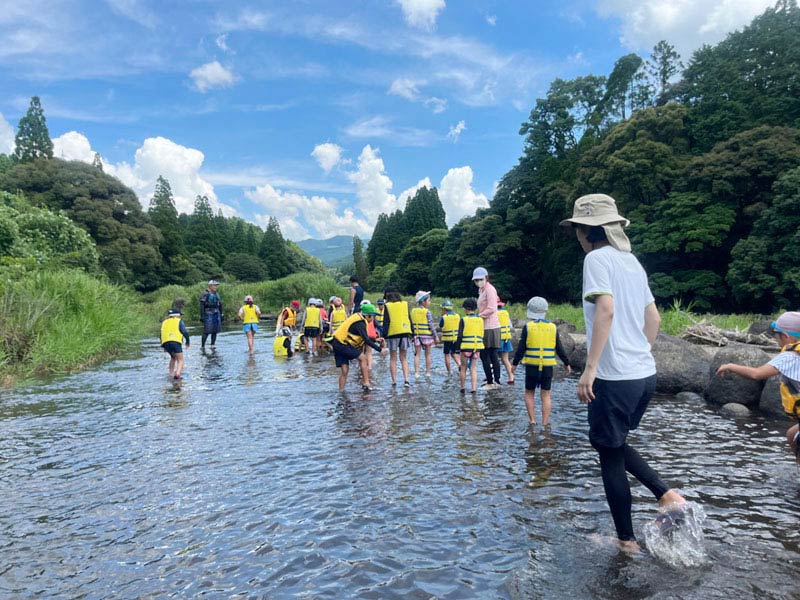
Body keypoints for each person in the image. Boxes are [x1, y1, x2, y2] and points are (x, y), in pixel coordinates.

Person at [561, 193, 686, 554]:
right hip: (644, 375)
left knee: (609, 453)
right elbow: (655, 319)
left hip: (614, 377)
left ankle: (627, 541)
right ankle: (666, 495)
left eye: (578, 230)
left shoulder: (596, 260)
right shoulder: (631, 262)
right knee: (608, 443)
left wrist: (591, 369)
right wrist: (639, 355)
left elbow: (606, 310)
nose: (577, 237)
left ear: (587, 230)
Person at [716, 311, 800, 463]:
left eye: (776, 337)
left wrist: (730, 366)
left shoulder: (790, 357)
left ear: (786, 337)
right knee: (791, 434)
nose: (776, 341)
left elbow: (756, 374)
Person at [511, 296, 571, 426]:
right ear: (545, 311)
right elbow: (559, 348)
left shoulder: (528, 327)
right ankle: (545, 423)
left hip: (532, 365)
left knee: (529, 392)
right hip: (547, 367)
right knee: (546, 395)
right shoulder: (553, 327)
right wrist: (567, 364)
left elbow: (521, 348)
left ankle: (532, 420)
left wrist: (514, 364)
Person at [332, 303, 386, 392]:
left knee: (345, 371)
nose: (373, 319)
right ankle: (366, 383)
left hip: (337, 343)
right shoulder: (360, 323)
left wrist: (376, 340)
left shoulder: (358, 318)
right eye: (373, 316)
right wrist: (380, 350)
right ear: (368, 316)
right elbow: (366, 340)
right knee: (363, 358)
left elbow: (363, 336)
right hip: (342, 345)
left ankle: (341, 392)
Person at [473, 267, 503, 388]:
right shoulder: (481, 290)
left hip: (490, 327)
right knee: (489, 355)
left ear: (486, 278)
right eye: (476, 280)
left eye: (480, 279)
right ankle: (493, 380)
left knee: (488, 355)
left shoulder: (490, 290)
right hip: (484, 326)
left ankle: (493, 381)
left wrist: (479, 315)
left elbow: (492, 308)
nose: (478, 281)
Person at [383, 291, 413, 387]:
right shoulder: (405, 304)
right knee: (404, 358)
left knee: (393, 358)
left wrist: (383, 336)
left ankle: (394, 381)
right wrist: (412, 333)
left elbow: (386, 322)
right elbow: (409, 318)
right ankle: (406, 380)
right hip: (405, 332)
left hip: (393, 334)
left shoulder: (387, 306)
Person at [457, 298, 484, 394]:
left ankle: (462, 387)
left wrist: (457, 348)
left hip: (465, 347)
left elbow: (460, 335)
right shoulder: (480, 320)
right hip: (477, 347)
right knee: (473, 368)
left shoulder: (463, 320)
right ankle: (473, 388)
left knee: (463, 367)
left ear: (466, 308)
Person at [411, 290, 438, 378]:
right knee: (428, 354)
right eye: (429, 300)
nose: (430, 302)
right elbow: (431, 325)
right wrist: (435, 336)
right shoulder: (427, 312)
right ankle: (428, 372)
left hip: (417, 336)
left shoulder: (413, 311)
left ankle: (416, 373)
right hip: (427, 336)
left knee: (417, 355)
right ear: (423, 302)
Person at [160, 307, 190, 379]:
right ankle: (177, 374)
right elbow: (184, 332)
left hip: (165, 342)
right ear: (177, 315)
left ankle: (171, 373)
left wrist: (163, 345)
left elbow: (161, 334)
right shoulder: (179, 321)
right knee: (180, 360)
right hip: (175, 341)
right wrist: (187, 341)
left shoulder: (164, 322)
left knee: (173, 357)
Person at [359, 299, 383, 372]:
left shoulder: (359, 316)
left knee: (361, 353)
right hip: (370, 336)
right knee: (369, 352)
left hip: (361, 337)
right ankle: (369, 367)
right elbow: (377, 325)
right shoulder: (372, 316)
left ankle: (361, 367)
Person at [439, 300, 462, 375]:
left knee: (447, 355)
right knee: (454, 353)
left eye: (441, 309)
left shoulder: (444, 317)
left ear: (444, 309)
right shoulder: (457, 316)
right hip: (455, 339)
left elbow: (441, 326)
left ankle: (449, 371)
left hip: (447, 339)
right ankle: (459, 364)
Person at [199, 279, 223, 350]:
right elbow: (202, 305)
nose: (216, 287)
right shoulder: (205, 293)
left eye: (216, 285)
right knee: (206, 330)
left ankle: (212, 345)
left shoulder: (217, 294)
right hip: (208, 313)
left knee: (215, 330)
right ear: (210, 286)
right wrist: (202, 315)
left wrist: (221, 314)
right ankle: (202, 346)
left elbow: (220, 304)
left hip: (216, 312)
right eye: (214, 285)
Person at [497, 299, 515, 384]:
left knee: (494, 359)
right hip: (506, 338)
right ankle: (511, 377)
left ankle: (493, 376)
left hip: (498, 339)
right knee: (505, 359)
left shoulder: (494, 313)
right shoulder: (505, 313)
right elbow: (510, 326)